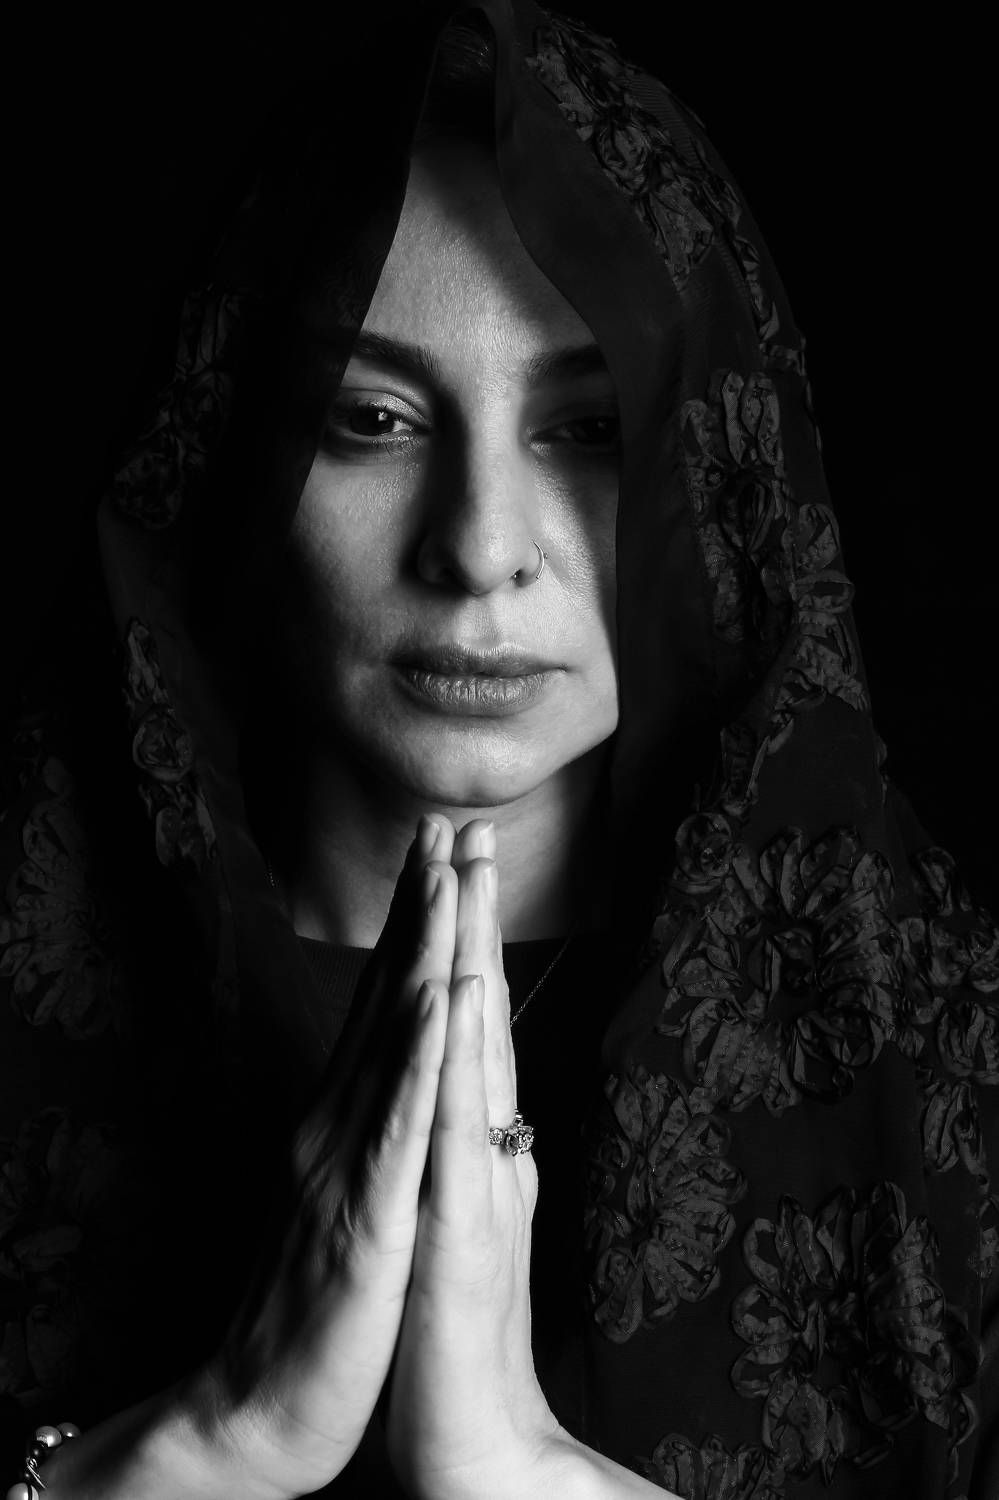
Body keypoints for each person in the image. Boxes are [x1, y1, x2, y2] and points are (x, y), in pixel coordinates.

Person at [1, 4, 995, 1497]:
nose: (478, 548)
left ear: (714, 469)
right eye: (375, 419)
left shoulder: (956, 1056)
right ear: (244, 457)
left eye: (587, 431)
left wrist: (528, 1477)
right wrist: (208, 1449)